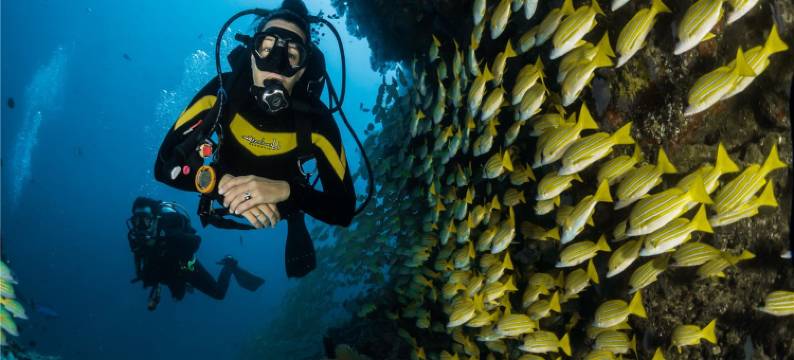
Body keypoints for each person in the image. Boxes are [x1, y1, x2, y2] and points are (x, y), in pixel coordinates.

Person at [153, 0, 356, 277]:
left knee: (294, 208)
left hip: (283, 205)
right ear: (251, 53)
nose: (276, 63)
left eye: (293, 54)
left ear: (303, 68)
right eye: (266, 47)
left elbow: (343, 210)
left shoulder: (317, 122)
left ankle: (295, 216)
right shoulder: (222, 93)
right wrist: (218, 183)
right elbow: (164, 167)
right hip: (221, 187)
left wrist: (288, 192)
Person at [127, 197, 264, 310]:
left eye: (144, 220)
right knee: (178, 296)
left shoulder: (172, 231)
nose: (140, 227)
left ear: (155, 219)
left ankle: (229, 264)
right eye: (136, 222)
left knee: (219, 293)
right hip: (167, 272)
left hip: (186, 267)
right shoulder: (137, 240)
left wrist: (169, 238)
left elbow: (196, 241)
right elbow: (142, 269)